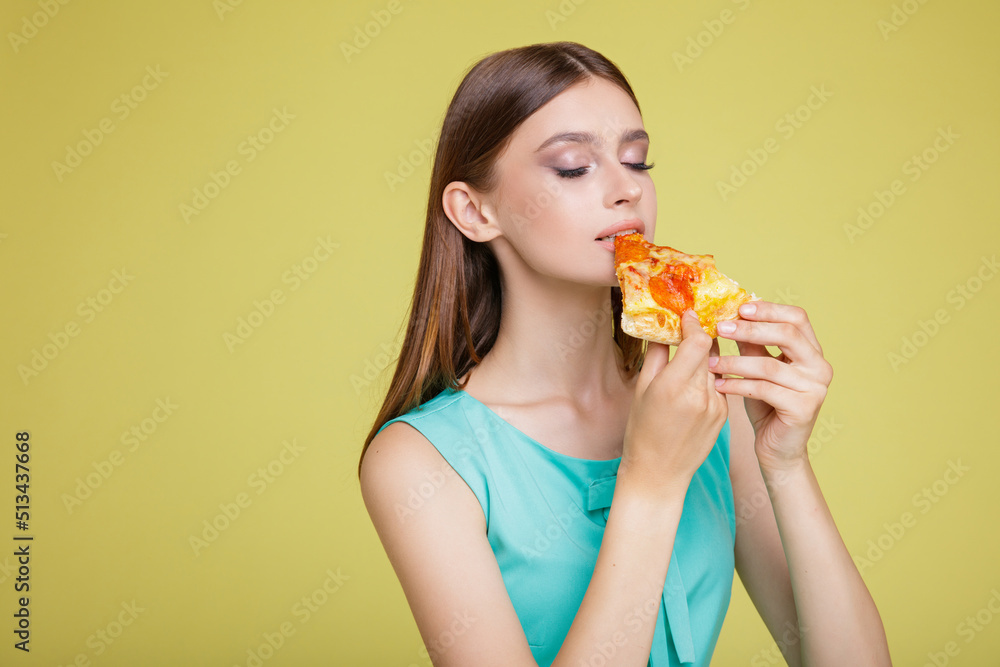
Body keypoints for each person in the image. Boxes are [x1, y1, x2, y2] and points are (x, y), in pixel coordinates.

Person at [358, 41, 891, 667]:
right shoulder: (420, 461)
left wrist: (785, 464)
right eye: (572, 167)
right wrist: (651, 482)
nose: (626, 190)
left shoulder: (706, 405)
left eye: (637, 161)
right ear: (474, 211)